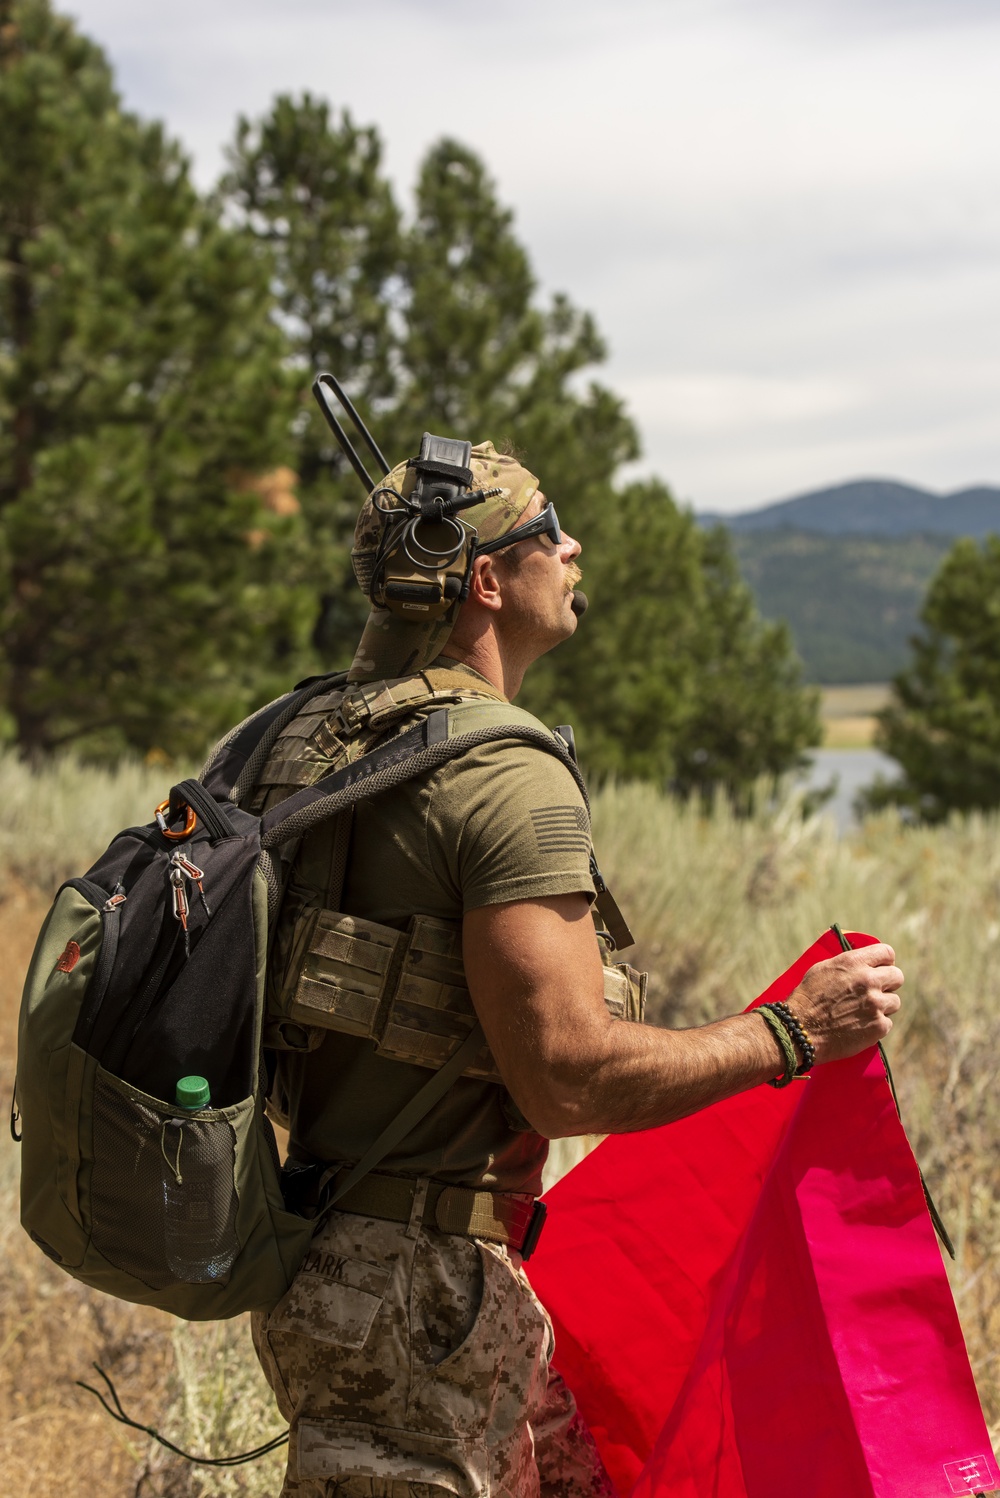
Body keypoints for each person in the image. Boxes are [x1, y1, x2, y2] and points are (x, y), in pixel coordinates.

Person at [247, 440, 904, 1498]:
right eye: (547, 529)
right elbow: (567, 1076)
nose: (574, 545)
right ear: (487, 581)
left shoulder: (291, 740)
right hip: (424, 1297)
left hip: (323, 1257)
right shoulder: (501, 773)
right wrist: (792, 1032)